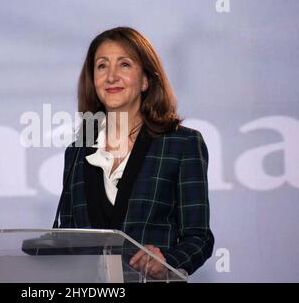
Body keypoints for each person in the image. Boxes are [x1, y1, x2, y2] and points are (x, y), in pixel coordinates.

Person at [55, 27, 214, 278]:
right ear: (92, 80)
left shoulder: (182, 144)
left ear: (145, 80)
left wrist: (167, 260)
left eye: (125, 65)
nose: (111, 76)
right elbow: (67, 236)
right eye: (102, 66)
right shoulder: (76, 152)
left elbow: (199, 237)